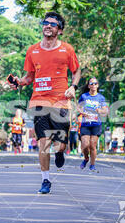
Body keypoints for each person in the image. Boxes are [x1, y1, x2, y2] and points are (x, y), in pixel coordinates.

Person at [9, 11, 81, 194]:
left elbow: (77, 71)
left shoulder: (67, 49)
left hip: (61, 101)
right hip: (39, 101)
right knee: (43, 142)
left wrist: (73, 86)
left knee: (60, 142)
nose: (48, 25)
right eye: (45, 22)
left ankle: (60, 152)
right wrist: (19, 82)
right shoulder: (32, 50)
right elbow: (29, 76)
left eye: (53, 23)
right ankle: (45, 180)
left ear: (60, 30)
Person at [77, 77, 108, 171]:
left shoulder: (101, 97)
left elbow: (105, 110)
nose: (93, 85)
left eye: (95, 83)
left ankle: (92, 164)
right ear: (88, 85)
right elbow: (78, 107)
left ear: (97, 85)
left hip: (96, 124)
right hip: (85, 123)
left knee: (92, 145)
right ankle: (86, 158)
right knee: (85, 145)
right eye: (91, 83)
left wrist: (100, 110)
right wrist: (82, 112)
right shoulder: (84, 96)